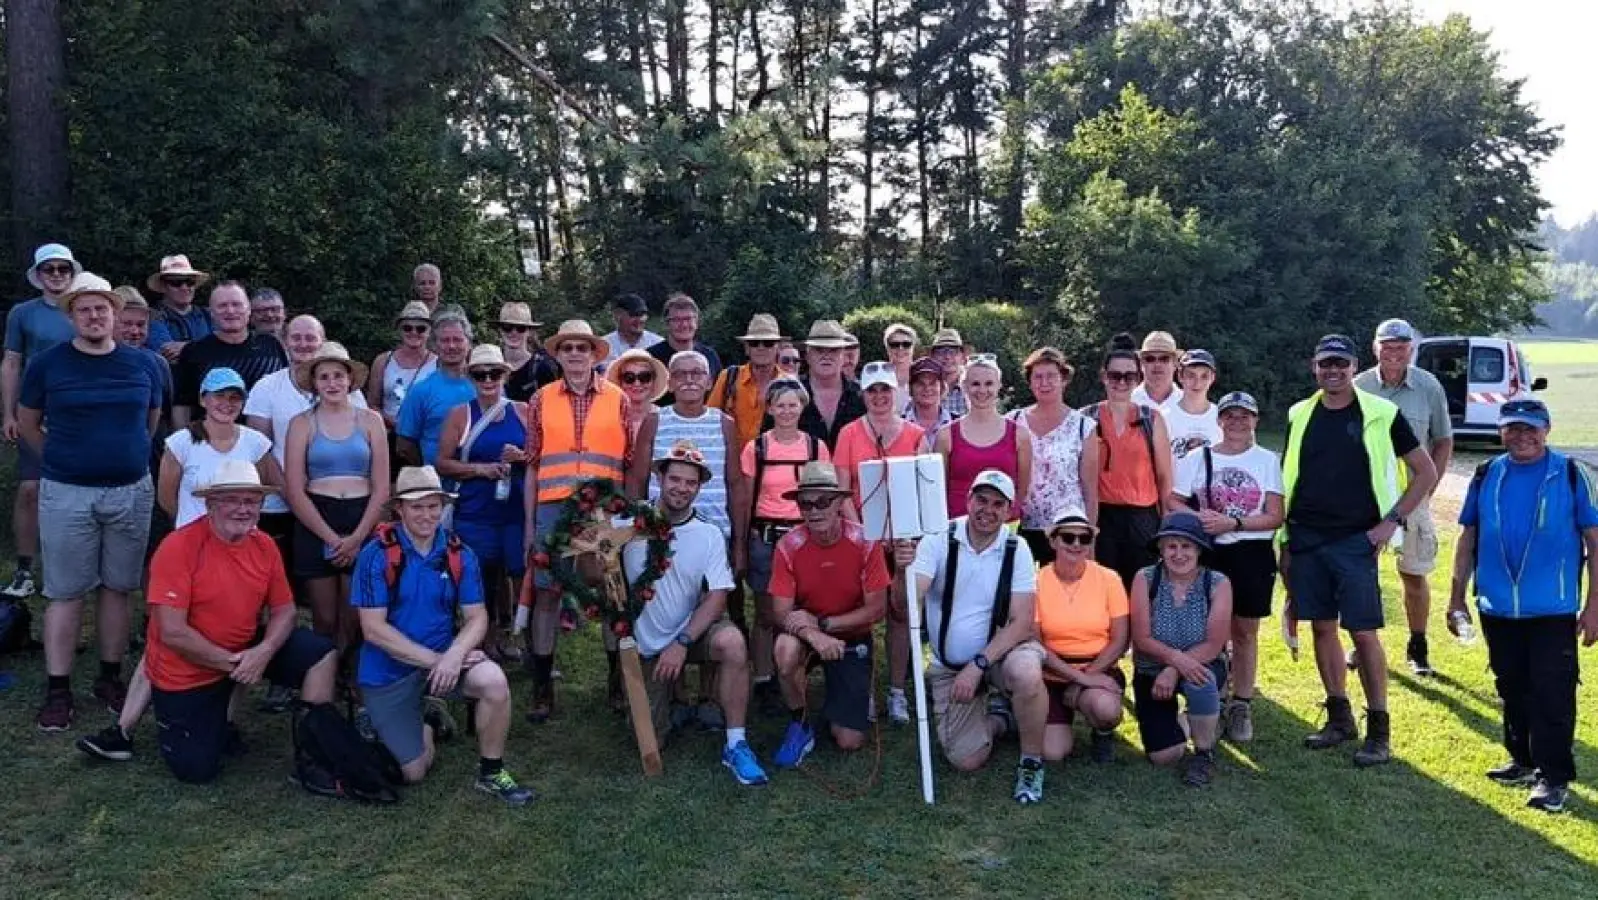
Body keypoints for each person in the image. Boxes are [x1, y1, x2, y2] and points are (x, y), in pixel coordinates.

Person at [1281, 334, 1437, 767]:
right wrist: (1286, 542)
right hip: (1307, 537)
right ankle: (1339, 717)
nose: (1333, 371)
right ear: (1315, 367)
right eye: (1325, 364)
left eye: (1341, 364)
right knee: (1321, 628)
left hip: (1357, 540)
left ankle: (1379, 730)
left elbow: (1423, 472)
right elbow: (1290, 476)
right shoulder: (1300, 413)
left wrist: (1392, 521)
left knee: (1363, 633)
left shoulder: (1382, 414)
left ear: (1354, 368)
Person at [19, 273, 163, 730]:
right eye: (84, 309)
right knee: (64, 592)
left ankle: (109, 677)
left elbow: (151, 420)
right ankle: (58, 690)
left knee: (118, 587)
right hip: (67, 492)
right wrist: (62, 461)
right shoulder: (47, 365)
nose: (94, 316)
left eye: (102, 308)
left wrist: (123, 457)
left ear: (116, 313)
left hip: (130, 491)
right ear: (72, 316)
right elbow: (27, 424)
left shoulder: (146, 365)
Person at [139, 461, 339, 784]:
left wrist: (264, 650)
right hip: (188, 672)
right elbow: (172, 632)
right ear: (210, 504)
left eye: (251, 501)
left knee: (321, 653)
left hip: (243, 649)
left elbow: (285, 610)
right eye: (232, 500)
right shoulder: (179, 547)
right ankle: (204, 721)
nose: (243, 509)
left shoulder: (264, 546)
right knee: (196, 770)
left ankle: (313, 754)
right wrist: (235, 663)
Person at [350, 465, 536, 805]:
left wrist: (455, 655)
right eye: (416, 506)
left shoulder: (458, 552)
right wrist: (441, 661)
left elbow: (477, 616)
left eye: (433, 505)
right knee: (413, 772)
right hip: (389, 671)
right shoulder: (375, 554)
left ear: (443, 505)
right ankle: (429, 721)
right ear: (399, 509)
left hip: (443, 660)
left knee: (494, 681)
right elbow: (373, 630)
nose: (426, 514)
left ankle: (492, 772)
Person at [1449, 399, 1598, 813]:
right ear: (1500, 432)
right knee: (1511, 685)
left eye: (1531, 428)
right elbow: (1467, 539)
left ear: (1546, 429)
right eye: (1513, 428)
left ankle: (1554, 778)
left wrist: (1594, 605)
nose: (1522, 436)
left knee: (1552, 692)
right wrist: (1456, 596)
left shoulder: (1570, 474)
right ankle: (1522, 759)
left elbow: (1594, 542)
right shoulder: (1487, 473)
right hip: (1497, 607)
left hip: (1553, 608)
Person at [896, 470, 1051, 804]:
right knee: (967, 760)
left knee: (1025, 672)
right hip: (949, 665)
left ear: (1009, 511)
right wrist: (901, 573)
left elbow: (1023, 623)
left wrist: (979, 664)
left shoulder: (1017, 547)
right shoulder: (938, 538)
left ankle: (1031, 762)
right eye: (981, 500)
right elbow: (905, 605)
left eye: (998, 504)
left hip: (999, 654)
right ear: (968, 500)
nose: (988, 510)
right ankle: (1000, 719)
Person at [630, 441, 768, 785]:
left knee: (733, 643)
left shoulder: (708, 533)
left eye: (691, 483)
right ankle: (670, 706)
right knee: (649, 742)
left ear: (700, 487)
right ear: (660, 477)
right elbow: (593, 572)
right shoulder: (630, 523)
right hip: (645, 642)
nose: (681, 488)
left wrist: (683, 640)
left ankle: (736, 743)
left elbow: (718, 594)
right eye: (674, 479)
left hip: (690, 632)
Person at [522, 319, 627, 722]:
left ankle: (616, 683)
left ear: (594, 354)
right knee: (547, 593)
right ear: (558, 354)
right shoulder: (540, 399)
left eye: (583, 348)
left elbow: (628, 459)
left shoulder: (617, 399)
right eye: (568, 348)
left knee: (610, 592)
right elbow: (532, 464)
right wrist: (531, 523)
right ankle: (543, 687)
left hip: (602, 509)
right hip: (553, 507)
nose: (576, 355)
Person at [1176, 391, 1283, 744]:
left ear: (1255, 420)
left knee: (1245, 631)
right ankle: (1210, 696)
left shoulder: (1267, 460)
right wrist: (1202, 520)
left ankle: (1242, 702)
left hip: (1251, 552)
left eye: (1245, 415)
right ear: (1219, 420)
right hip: (1210, 552)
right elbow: (1173, 501)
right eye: (1230, 415)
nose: (1237, 422)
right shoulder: (1197, 457)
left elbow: (1274, 514)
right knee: (1208, 629)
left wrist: (1233, 524)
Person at [769, 462, 890, 767]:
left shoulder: (866, 541)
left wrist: (825, 624)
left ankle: (848, 697)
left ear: (839, 503)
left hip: (849, 634)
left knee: (850, 741)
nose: (814, 510)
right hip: (806, 632)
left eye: (823, 501)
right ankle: (800, 722)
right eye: (806, 503)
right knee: (784, 651)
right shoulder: (788, 545)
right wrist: (815, 635)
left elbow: (877, 608)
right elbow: (781, 613)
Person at [1353, 318, 1454, 676]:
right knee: (1362, 573)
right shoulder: (1359, 385)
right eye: (1387, 346)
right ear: (1375, 348)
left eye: (1401, 346)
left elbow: (1442, 440)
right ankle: (1362, 643)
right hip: (1365, 499)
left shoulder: (1428, 386)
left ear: (1411, 349)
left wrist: (1430, 488)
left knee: (1413, 574)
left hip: (1413, 496)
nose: (1394, 353)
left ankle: (1418, 644)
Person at [830, 361, 924, 724]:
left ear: (896, 393)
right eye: (873, 391)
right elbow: (842, 489)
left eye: (886, 389)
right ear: (864, 395)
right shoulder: (849, 434)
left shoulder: (915, 435)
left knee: (900, 612)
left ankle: (897, 691)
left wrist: (904, 534)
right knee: (864, 616)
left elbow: (922, 487)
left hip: (902, 538)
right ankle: (864, 691)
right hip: (862, 538)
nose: (880, 397)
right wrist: (865, 534)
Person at [245, 316, 369, 587]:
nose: (303, 344)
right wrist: (293, 496)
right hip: (278, 505)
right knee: (281, 585)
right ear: (284, 341)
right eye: (296, 337)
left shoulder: (351, 393)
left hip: (336, 505)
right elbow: (259, 451)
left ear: (322, 341)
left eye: (311, 337)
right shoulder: (266, 388)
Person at [283, 343, 390, 646]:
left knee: (355, 614)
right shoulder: (301, 423)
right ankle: (324, 677)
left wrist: (357, 537)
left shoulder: (371, 421)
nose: (332, 383)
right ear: (314, 384)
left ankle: (352, 675)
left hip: (362, 517)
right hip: (317, 518)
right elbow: (294, 488)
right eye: (324, 377)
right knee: (324, 617)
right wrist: (331, 538)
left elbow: (382, 485)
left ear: (350, 380)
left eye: (338, 376)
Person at [741, 379, 831, 715]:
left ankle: (799, 673)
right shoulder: (757, 449)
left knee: (806, 608)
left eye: (793, 404)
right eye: (780, 405)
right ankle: (765, 679)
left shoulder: (815, 447)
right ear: (769, 409)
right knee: (766, 612)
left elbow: (825, 495)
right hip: (765, 536)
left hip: (803, 537)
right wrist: (743, 541)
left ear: (802, 407)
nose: (787, 411)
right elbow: (747, 498)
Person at [435, 345, 529, 663]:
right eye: (480, 374)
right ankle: (483, 643)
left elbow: (541, 458)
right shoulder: (460, 414)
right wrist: (480, 469)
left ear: (505, 374)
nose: (488, 379)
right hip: (476, 512)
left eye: (494, 373)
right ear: (471, 377)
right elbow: (442, 463)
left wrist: (522, 457)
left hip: (516, 510)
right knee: (481, 580)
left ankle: (521, 640)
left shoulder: (523, 411)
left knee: (521, 576)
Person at [2, 243, 82, 600]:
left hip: (76, 412)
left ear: (72, 272)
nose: (56, 275)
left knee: (75, 492)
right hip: (35, 411)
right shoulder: (22, 313)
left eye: (63, 269)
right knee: (31, 489)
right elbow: (11, 362)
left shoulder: (82, 308)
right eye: (49, 269)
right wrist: (9, 412)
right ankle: (24, 569)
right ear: (38, 274)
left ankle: (70, 569)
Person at [1129, 511, 1233, 785]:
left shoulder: (1218, 583)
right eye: (1171, 546)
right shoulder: (1145, 578)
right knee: (1164, 756)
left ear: (1199, 549)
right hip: (1151, 668)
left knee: (1202, 680)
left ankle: (1203, 753)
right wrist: (1173, 661)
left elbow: (1214, 643)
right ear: (1161, 549)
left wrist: (1174, 669)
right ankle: (1193, 720)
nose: (1179, 553)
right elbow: (1141, 639)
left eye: (1186, 546)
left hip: (1202, 662)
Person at [1033, 507, 1128, 764]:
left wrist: (1087, 678)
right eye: (1068, 537)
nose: (1076, 544)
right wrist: (1078, 679)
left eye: (1084, 538)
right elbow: (1037, 643)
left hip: (1098, 668)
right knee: (1052, 753)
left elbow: (1120, 639)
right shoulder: (1036, 582)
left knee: (1106, 710)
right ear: (1053, 541)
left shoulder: (1109, 579)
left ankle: (1103, 731)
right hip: (1052, 673)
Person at [628, 350, 747, 552]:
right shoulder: (654, 421)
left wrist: (740, 545)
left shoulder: (724, 423)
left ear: (709, 382)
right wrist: (638, 527)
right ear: (670, 383)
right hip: (661, 532)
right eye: (680, 374)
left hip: (714, 533)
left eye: (697, 373)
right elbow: (637, 480)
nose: (689, 380)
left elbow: (735, 484)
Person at [1089, 334, 1175, 589]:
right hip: (1102, 516)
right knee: (1104, 590)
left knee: (1141, 592)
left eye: (1129, 376)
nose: (1121, 382)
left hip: (1143, 518)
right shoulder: (1087, 418)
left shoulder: (1151, 419)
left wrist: (1166, 526)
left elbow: (1164, 477)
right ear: (1104, 376)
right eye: (1115, 375)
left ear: (1138, 379)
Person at [1008, 347, 1098, 563]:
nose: (1044, 382)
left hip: (1068, 533)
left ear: (1064, 379)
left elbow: (1090, 490)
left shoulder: (1083, 426)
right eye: (1038, 377)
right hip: (1023, 528)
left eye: (1051, 376)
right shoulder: (1013, 421)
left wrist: (1090, 541)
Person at [160, 368, 280, 529]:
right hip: (193, 539)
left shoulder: (256, 442)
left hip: (240, 539)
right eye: (219, 395)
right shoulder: (180, 443)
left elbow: (262, 490)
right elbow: (166, 498)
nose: (227, 403)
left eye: (235, 398)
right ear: (203, 400)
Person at [171, 281, 289, 428]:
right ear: (211, 313)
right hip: (211, 443)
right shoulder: (194, 352)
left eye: (236, 304)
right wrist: (184, 445)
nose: (230, 311)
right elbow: (182, 405)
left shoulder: (272, 346)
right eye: (222, 306)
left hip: (266, 443)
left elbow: (287, 392)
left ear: (249, 310)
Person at [936, 355, 1031, 520]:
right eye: (975, 384)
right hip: (957, 528)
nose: (982, 390)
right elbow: (938, 489)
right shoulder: (946, 436)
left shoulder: (1020, 435)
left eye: (989, 384)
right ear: (964, 386)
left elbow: (1022, 490)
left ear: (999, 386)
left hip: (1003, 528)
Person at [395, 310, 473, 469]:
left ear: (469, 343)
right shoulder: (421, 391)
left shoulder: (486, 385)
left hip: (482, 482)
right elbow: (404, 445)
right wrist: (428, 469)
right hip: (436, 485)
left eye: (457, 340)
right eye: (445, 340)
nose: (451, 346)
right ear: (435, 345)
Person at [709, 314, 786, 452]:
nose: (761, 347)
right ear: (747, 348)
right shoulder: (728, 378)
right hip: (732, 464)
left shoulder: (789, 384)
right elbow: (710, 422)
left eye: (768, 343)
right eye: (754, 343)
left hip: (773, 464)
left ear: (778, 348)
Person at [785, 320, 865, 450]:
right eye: (819, 350)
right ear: (808, 355)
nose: (826, 356)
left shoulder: (862, 396)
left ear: (843, 356)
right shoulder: (788, 393)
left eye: (833, 350)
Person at [366, 301, 438, 435]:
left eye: (421, 328)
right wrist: (393, 422)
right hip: (389, 435)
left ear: (429, 331)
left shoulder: (438, 364)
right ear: (400, 329)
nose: (414, 332)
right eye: (407, 328)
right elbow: (372, 404)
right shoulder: (383, 361)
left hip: (425, 435)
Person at [1162, 349, 1221, 486]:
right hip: (1173, 496)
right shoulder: (1164, 417)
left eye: (1204, 376)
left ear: (1212, 378)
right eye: (1191, 375)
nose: (1197, 382)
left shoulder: (1222, 418)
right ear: (1180, 376)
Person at [648, 293, 723, 395]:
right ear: (666, 324)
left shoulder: (710, 355)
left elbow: (719, 394)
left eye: (688, 319)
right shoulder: (651, 358)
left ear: (696, 322)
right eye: (676, 320)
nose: (683, 325)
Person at [145, 254, 213, 361]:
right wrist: (206, 348)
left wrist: (185, 348)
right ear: (163, 286)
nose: (184, 287)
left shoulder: (208, 315)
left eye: (190, 282)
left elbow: (224, 346)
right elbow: (166, 353)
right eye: (176, 282)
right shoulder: (153, 316)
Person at [607, 348, 670, 443]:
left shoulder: (666, 419)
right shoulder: (607, 418)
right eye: (629, 378)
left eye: (644, 377)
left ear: (653, 381)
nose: (637, 383)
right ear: (620, 382)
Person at [499, 301, 558, 401]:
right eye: (507, 328)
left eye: (520, 328)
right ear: (500, 330)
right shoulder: (490, 365)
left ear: (529, 332)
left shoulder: (542, 368)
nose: (514, 333)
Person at [601, 292, 662, 366]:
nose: (640, 319)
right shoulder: (603, 346)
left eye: (643, 314)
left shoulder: (658, 344)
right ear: (618, 315)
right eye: (634, 315)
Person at [904, 357, 951, 454]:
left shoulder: (957, 425)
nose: (927, 388)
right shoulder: (899, 426)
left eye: (933, 383)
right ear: (910, 388)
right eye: (920, 384)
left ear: (942, 388)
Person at [1130, 330, 1181, 415]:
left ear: (1175, 363)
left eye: (1164, 359)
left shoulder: (1189, 403)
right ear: (1141, 363)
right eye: (1150, 359)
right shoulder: (1128, 401)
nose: (1157, 364)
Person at [928, 328, 968, 418]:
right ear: (932, 357)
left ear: (962, 357)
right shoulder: (924, 388)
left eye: (953, 352)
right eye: (941, 352)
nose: (947, 357)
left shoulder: (973, 386)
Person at [883, 322, 920, 414]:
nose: (900, 348)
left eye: (906, 344)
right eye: (895, 345)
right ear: (887, 348)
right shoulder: (880, 375)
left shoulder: (922, 374)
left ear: (913, 347)